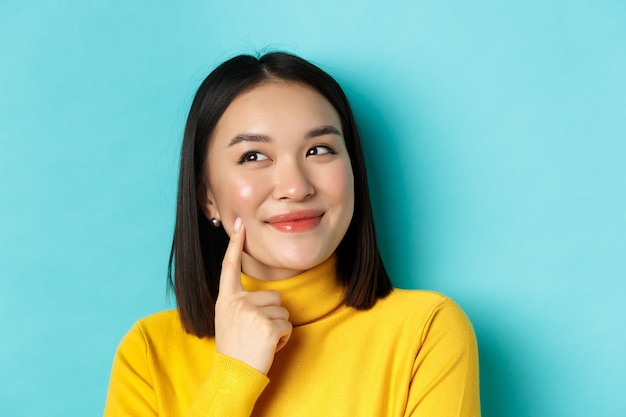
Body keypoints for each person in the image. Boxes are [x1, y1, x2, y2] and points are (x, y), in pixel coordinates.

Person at [103, 52, 481, 416]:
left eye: (319, 150)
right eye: (253, 156)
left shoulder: (427, 330)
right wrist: (232, 377)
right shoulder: (148, 354)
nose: (296, 187)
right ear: (206, 198)